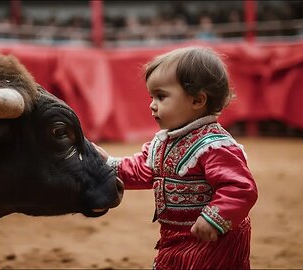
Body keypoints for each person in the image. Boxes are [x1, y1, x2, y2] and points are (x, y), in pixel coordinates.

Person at [93, 47, 258, 269]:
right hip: (174, 237)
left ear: (198, 100)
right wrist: (109, 165)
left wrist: (215, 218)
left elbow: (240, 188)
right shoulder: (164, 142)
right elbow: (142, 169)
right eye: (152, 97)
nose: (152, 104)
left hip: (213, 240)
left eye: (161, 96)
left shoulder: (214, 145)